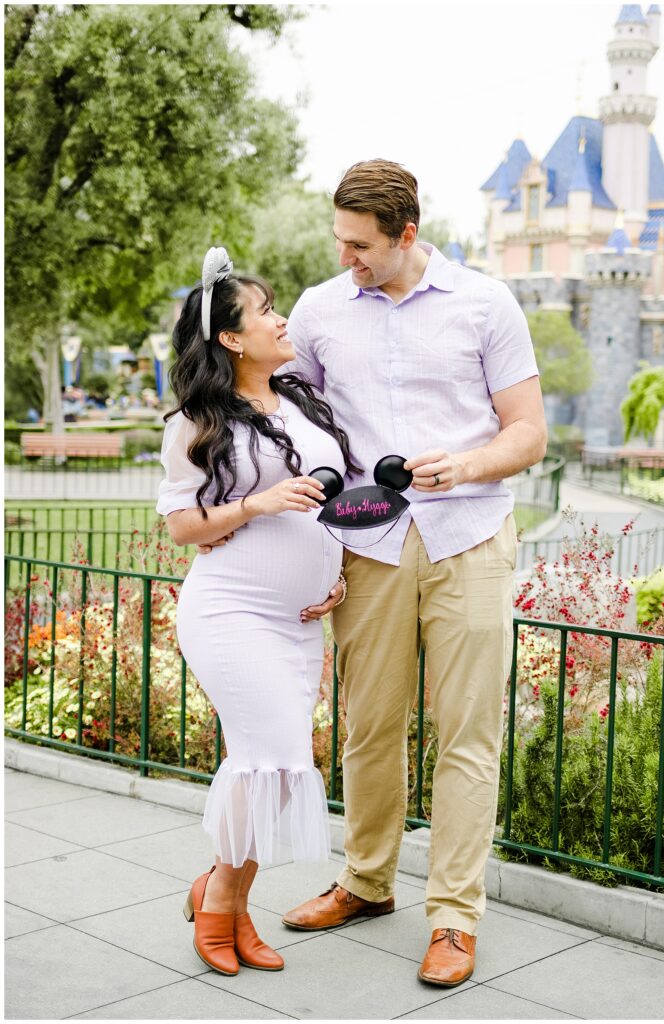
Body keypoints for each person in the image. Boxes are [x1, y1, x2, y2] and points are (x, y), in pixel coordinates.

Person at [277, 159, 548, 987]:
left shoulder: (485, 303)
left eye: (363, 245)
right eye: (340, 242)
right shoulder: (320, 310)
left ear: (407, 233)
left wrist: (464, 466)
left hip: (469, 535)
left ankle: (455, 918)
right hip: (367, 544)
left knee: (467, 735)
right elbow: (295, 430)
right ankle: (365, 882)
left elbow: (528, 433)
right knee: (368, 727)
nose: (348, 257)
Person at [156, 247, 359, 977]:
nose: (282, 318)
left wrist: (331, 572)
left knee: (272, 769)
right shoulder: (197, 421)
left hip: (300, 621)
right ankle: (217, 906)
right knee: (273, 759)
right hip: (233, 613)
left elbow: (326, 506)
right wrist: (259, 501)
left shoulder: (300, 402)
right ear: (232, 338)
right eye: (266, 310)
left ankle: (229, 903)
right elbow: (182, 525)